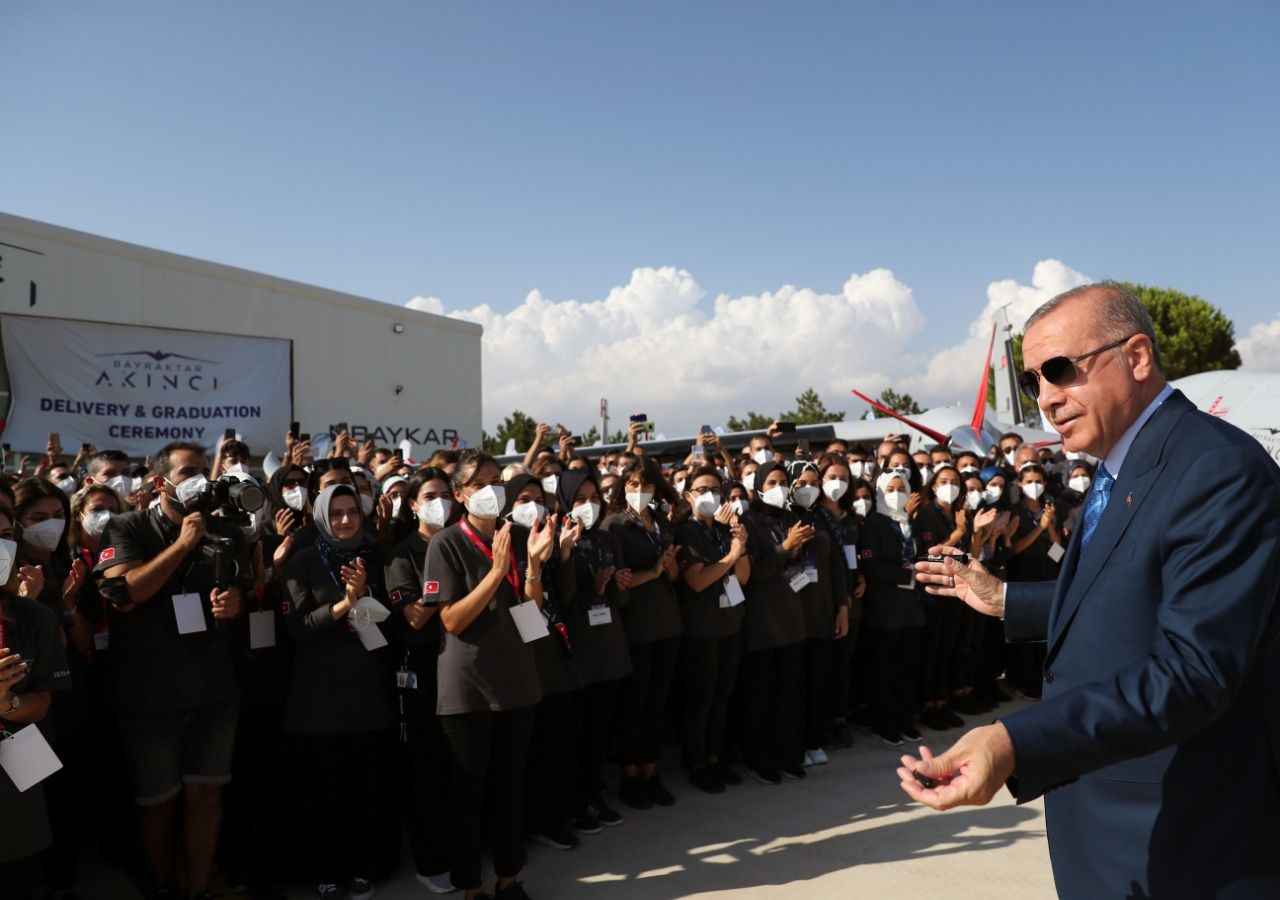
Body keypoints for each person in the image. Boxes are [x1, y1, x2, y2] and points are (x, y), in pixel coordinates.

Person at [905, 282, 1280, 898]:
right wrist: (1007, 600)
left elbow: (1194, 670)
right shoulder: (1122, 464)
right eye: (1033, 381)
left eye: (1061, 370)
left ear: (1137, 357)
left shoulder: (1215, 469)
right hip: (1115, 832)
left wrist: (1015, 741)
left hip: (1185, 841)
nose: (1047, 399)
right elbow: (1126, 591)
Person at [95, 441, 249, 900]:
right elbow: (124, 593)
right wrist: (183, 544)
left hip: (214, 690)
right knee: (158, 803)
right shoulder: (126, 526)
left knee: (207, 795)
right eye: (187, 472)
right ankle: (162, 887)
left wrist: (234, 604)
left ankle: (197, 888)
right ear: (161, 482)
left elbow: (241, 588)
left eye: (203, 470)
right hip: (150, 694)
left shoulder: (225, 530)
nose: (199, 479)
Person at [423, 450, 551, 900]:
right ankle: (471, 887)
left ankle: (509, 878)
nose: (492, 490)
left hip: (516, 679)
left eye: (497, 481)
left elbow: (532, 607)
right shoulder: (446, 544)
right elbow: (451, 620)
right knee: (468, 793)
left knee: (510, 789)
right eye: (480, 483)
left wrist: (535, 566)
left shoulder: (516, 535)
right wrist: (495, 572)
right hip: (469, 687)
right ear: (460, 494)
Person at [281, 484, 389, 899]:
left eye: (353, 512)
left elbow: (391, 620)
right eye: (337, 512)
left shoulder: (375, 556)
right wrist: (346, 603)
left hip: (366, 688)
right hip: (319, 694)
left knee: (364, 786)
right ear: (323, 517)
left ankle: (362, 866)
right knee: (323, 789)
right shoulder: (304, 561)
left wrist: (367, 597)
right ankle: (326, 870)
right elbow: (299, 627)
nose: (346, 520)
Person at [382, 469, 456, 895]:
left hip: (463, 664)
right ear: (413, 505)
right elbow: (413, 617)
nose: (439, 502)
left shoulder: (462, 541)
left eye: (445, 494)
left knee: (459, 763)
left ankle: (461, 847)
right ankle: (431, 860)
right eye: (429, 495)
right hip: (423, 667)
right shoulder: (402, 554)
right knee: (427, 766)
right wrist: (444, 580)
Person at [604, 457, 683, 809]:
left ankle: (651, 771)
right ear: (624, 487)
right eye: (633, 485)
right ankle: (630, 775)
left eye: (646, 485)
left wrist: (670, 566)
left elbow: (674, 576)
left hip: (667, 623)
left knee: (658, 703)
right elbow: (619, 582)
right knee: (634, 705)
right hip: (636, 626)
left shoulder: (661, 521)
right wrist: (652, 572)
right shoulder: (615, 525)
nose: (640, 491)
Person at [556, 470, 629, 832]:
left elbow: (620, 601)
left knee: (601, 728)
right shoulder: (558, 537)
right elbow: (562, 597)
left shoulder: (606, 537)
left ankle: (595, 793)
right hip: (575, 647)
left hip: (607, 644)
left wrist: (614, 586)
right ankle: (574, 801)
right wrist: (567, 555)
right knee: (576, 732)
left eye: (594, 498)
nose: (589, 505)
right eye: (580, 499)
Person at [673, 464, 751, 793]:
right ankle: (697, 763)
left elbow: (742, 578)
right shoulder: (685, 532)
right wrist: (731, 557)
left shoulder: (722, 529)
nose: (710, 496)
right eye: (702, 490)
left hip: (729, 623)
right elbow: (697, 581)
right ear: (688, 495)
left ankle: (717, 757)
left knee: (722, 697)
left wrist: (739, 544)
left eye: (715, 490)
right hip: (701, 628)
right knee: (701, 699)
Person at [0, 541, 68, 899]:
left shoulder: (34, 617)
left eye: (4, 533)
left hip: (16, 769)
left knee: (20, 873)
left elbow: (41, 703)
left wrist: (6, 703)